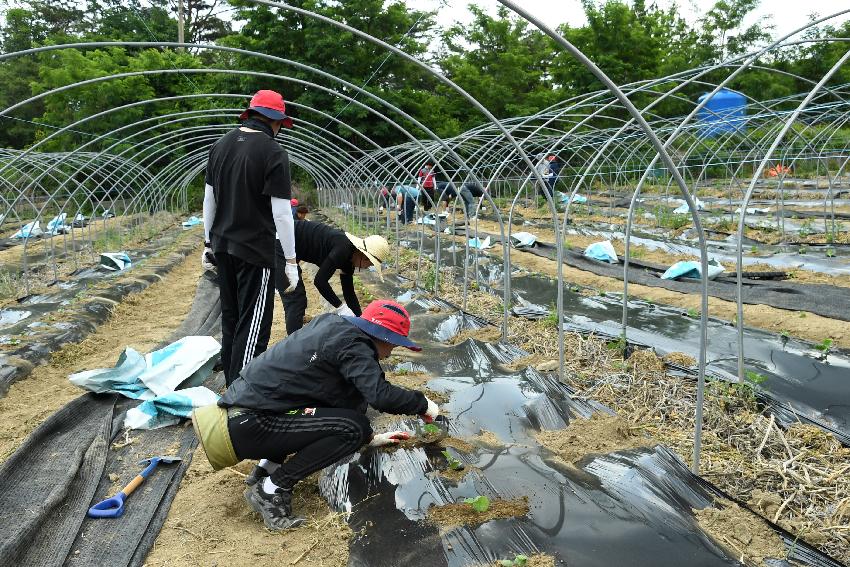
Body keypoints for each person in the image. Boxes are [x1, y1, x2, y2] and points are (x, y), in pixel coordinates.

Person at [218, 300, 441, 530]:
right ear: (385, 337)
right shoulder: (352, 344)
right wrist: (422, 404)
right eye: (394, 345)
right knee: (353, 428)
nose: (391, 352)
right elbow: (380, 396)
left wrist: (371, 438)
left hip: (241, 415)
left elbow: (341, 400)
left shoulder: (334, 328)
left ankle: (267, 470)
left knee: (337, 419)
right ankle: (271, 490)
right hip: (249, 423)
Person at [202, 89, 300, 386]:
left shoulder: (220, 146)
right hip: (254, 251)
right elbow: (282, 212)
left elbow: (209, 200)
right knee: (254, 325)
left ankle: (232, 386)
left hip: (222, 246)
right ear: (276, 121)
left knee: (232, 321)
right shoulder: (272, 152)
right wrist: (291, 260)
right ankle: (241, 394)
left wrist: (208, 244)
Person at [274, 221, 389, 335]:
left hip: (293, 247)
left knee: (298, 300)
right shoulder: (343, 248)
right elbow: (319, 281)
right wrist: (340, 307)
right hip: (282, 240)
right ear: (364, 257)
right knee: (295, 299)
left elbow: (349, 293)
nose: (367, 268)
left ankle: (295, 338)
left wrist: (361, 321)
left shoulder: (350, 260)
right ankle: (294, 346)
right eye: (370, 265)